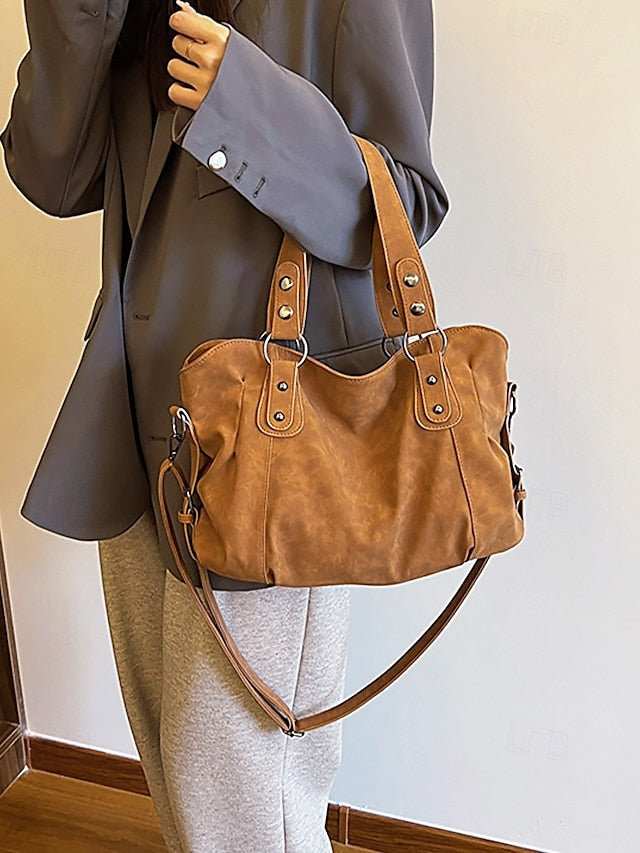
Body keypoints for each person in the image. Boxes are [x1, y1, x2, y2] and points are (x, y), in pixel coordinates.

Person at [1, 0, 448, 850]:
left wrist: (243, 98)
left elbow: (404, 205)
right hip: (136, 415)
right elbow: (52, 176)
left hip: (274, 443)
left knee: (245, 799)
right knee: (182, 775)